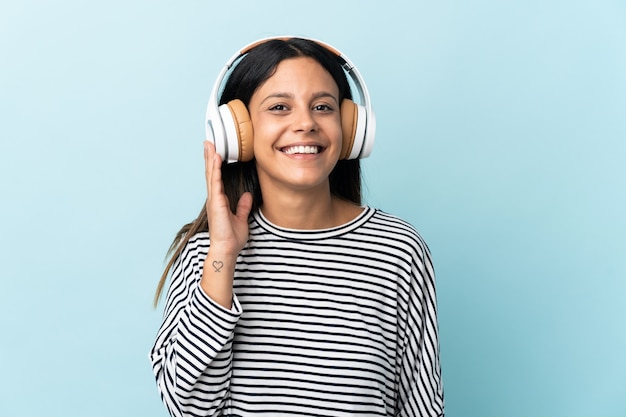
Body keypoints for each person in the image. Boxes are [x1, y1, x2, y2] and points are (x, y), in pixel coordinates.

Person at [150, 37, 444, 417]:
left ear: (350, 126)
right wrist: (222, 255)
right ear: (238, 130)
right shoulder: (206, 256)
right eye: (279, 107)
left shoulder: (399, 251)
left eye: (322, 107)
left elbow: (421, 407)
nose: (305, 123)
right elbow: (188, 408)